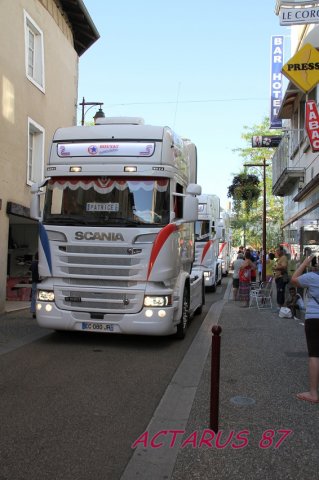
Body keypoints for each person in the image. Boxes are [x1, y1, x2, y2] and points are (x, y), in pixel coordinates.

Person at [291, 255, 319, 403]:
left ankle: (313, 393)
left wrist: (305, 263)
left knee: (315, 355)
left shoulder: (312, 277)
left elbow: (294, 279)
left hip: (314, 318)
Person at [30, 252, 39, 319]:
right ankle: (39, 312)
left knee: (33, 297)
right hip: (40, 282)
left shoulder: (33, 263)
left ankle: (34, 312)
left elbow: (30, 269)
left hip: (34, 282)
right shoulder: (40, 263)